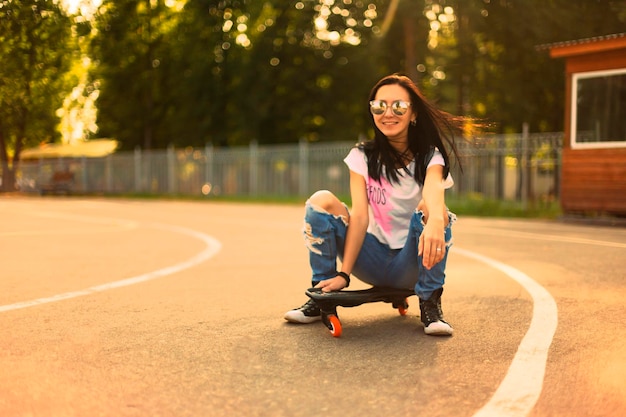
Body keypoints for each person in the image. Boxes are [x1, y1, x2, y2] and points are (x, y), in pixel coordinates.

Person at [284, 73, 467, 336]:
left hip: (411, 263)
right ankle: (321, 293)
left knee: (433, 211)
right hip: (371, 260)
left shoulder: (430, 157)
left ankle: (430, 302)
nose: (388, 113)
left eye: (399, 106)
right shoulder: (362, 156)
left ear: (413, 114)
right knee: (321, 199)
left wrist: (437, 220)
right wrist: (344, 275)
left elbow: (433, 194)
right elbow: (360, 217)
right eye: (379, 106)